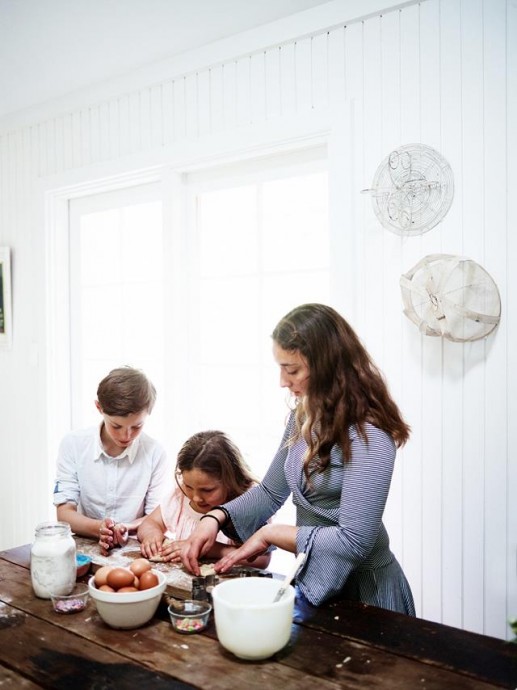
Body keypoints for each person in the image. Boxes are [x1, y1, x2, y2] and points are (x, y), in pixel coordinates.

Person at [180, 303, 415, 614]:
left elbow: (355, 540)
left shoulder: (369, 434)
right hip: (316, 582)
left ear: (328, 367)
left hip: (367, 592)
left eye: (292, 370)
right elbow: (269, 493)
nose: (282, 381)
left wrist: (271, 533)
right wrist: (214, 518)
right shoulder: (302, 417)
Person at [53, 366, 169, 555]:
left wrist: (125, 528)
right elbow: (65, 514)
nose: (126, 435)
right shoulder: (73, 444)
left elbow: (156, 518)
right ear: (99, 408)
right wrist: (100, 528)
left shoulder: (155, 453)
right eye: (116, 426)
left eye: (137, 426)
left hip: (133, 549)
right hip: (85, 547)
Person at [138, 430, 270, 569]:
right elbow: (150, 522)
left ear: (231, 481)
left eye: (207, 490)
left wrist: (213, 550)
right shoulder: (180, 496)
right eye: (188, 486)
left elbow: (262, 560)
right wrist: (152, 535)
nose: (196, 498)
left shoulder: (249, 502)